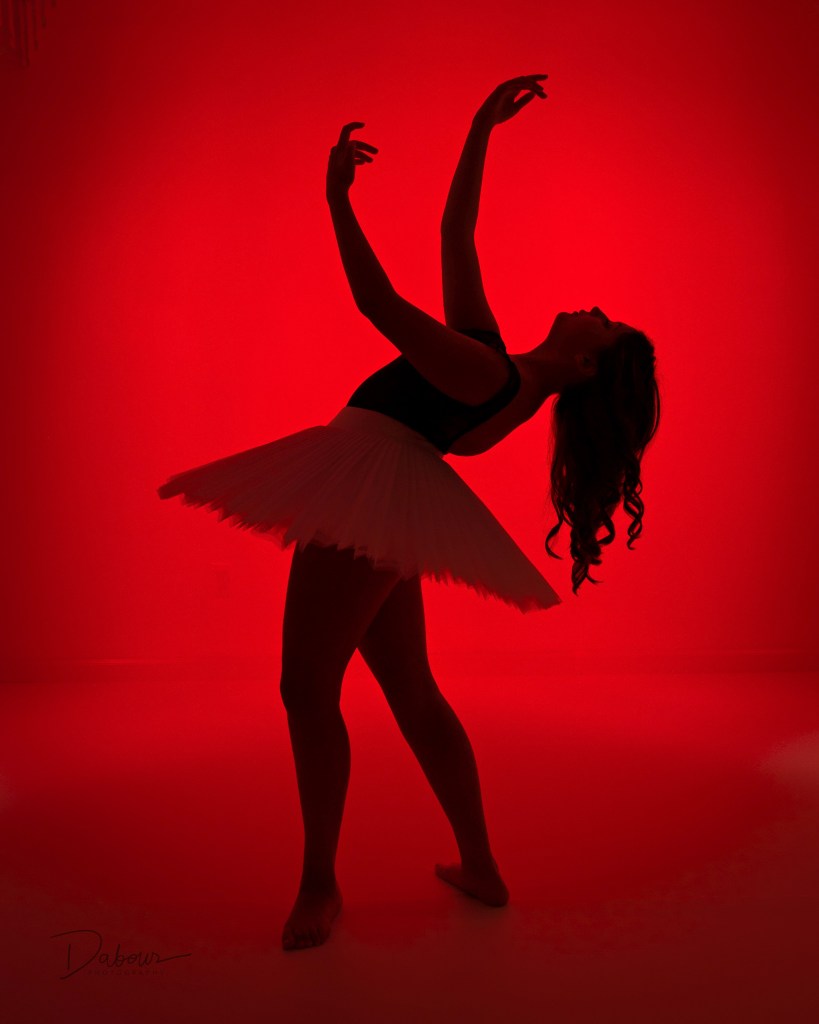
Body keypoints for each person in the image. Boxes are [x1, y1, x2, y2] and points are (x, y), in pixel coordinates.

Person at [157, 74, 661, 952]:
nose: (592, 307)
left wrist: (334, 202)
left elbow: (376, 304)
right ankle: (479, 866)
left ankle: (320, 883)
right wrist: (479, 130)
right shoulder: (494, 359)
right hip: (381, 493)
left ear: (586, 366)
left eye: (603, 325)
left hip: (368, 487)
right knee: (409, 692)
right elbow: (453, 234)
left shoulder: (490, 376)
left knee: (305, 687)